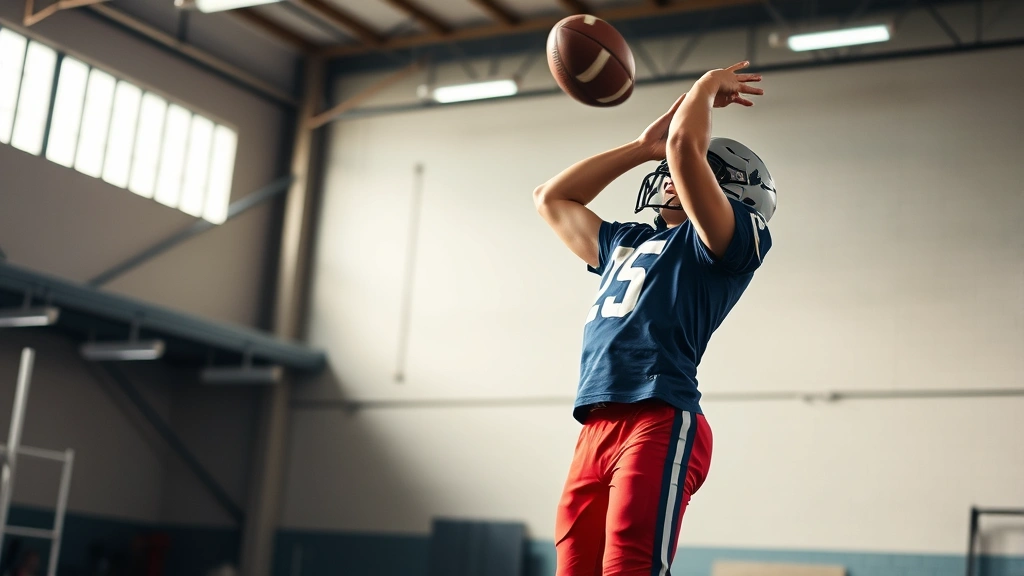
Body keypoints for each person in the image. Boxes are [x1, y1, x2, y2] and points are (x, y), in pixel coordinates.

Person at [533, 61, 777, 576]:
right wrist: (641, 147)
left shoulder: (729, 240)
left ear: (725, 186)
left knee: (631, 568)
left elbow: (685, 151)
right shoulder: (628, 241)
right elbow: (551, 198)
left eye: (671, 169)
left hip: (660, 414)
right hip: (597, 421)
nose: (663, 176)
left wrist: (707, 86)